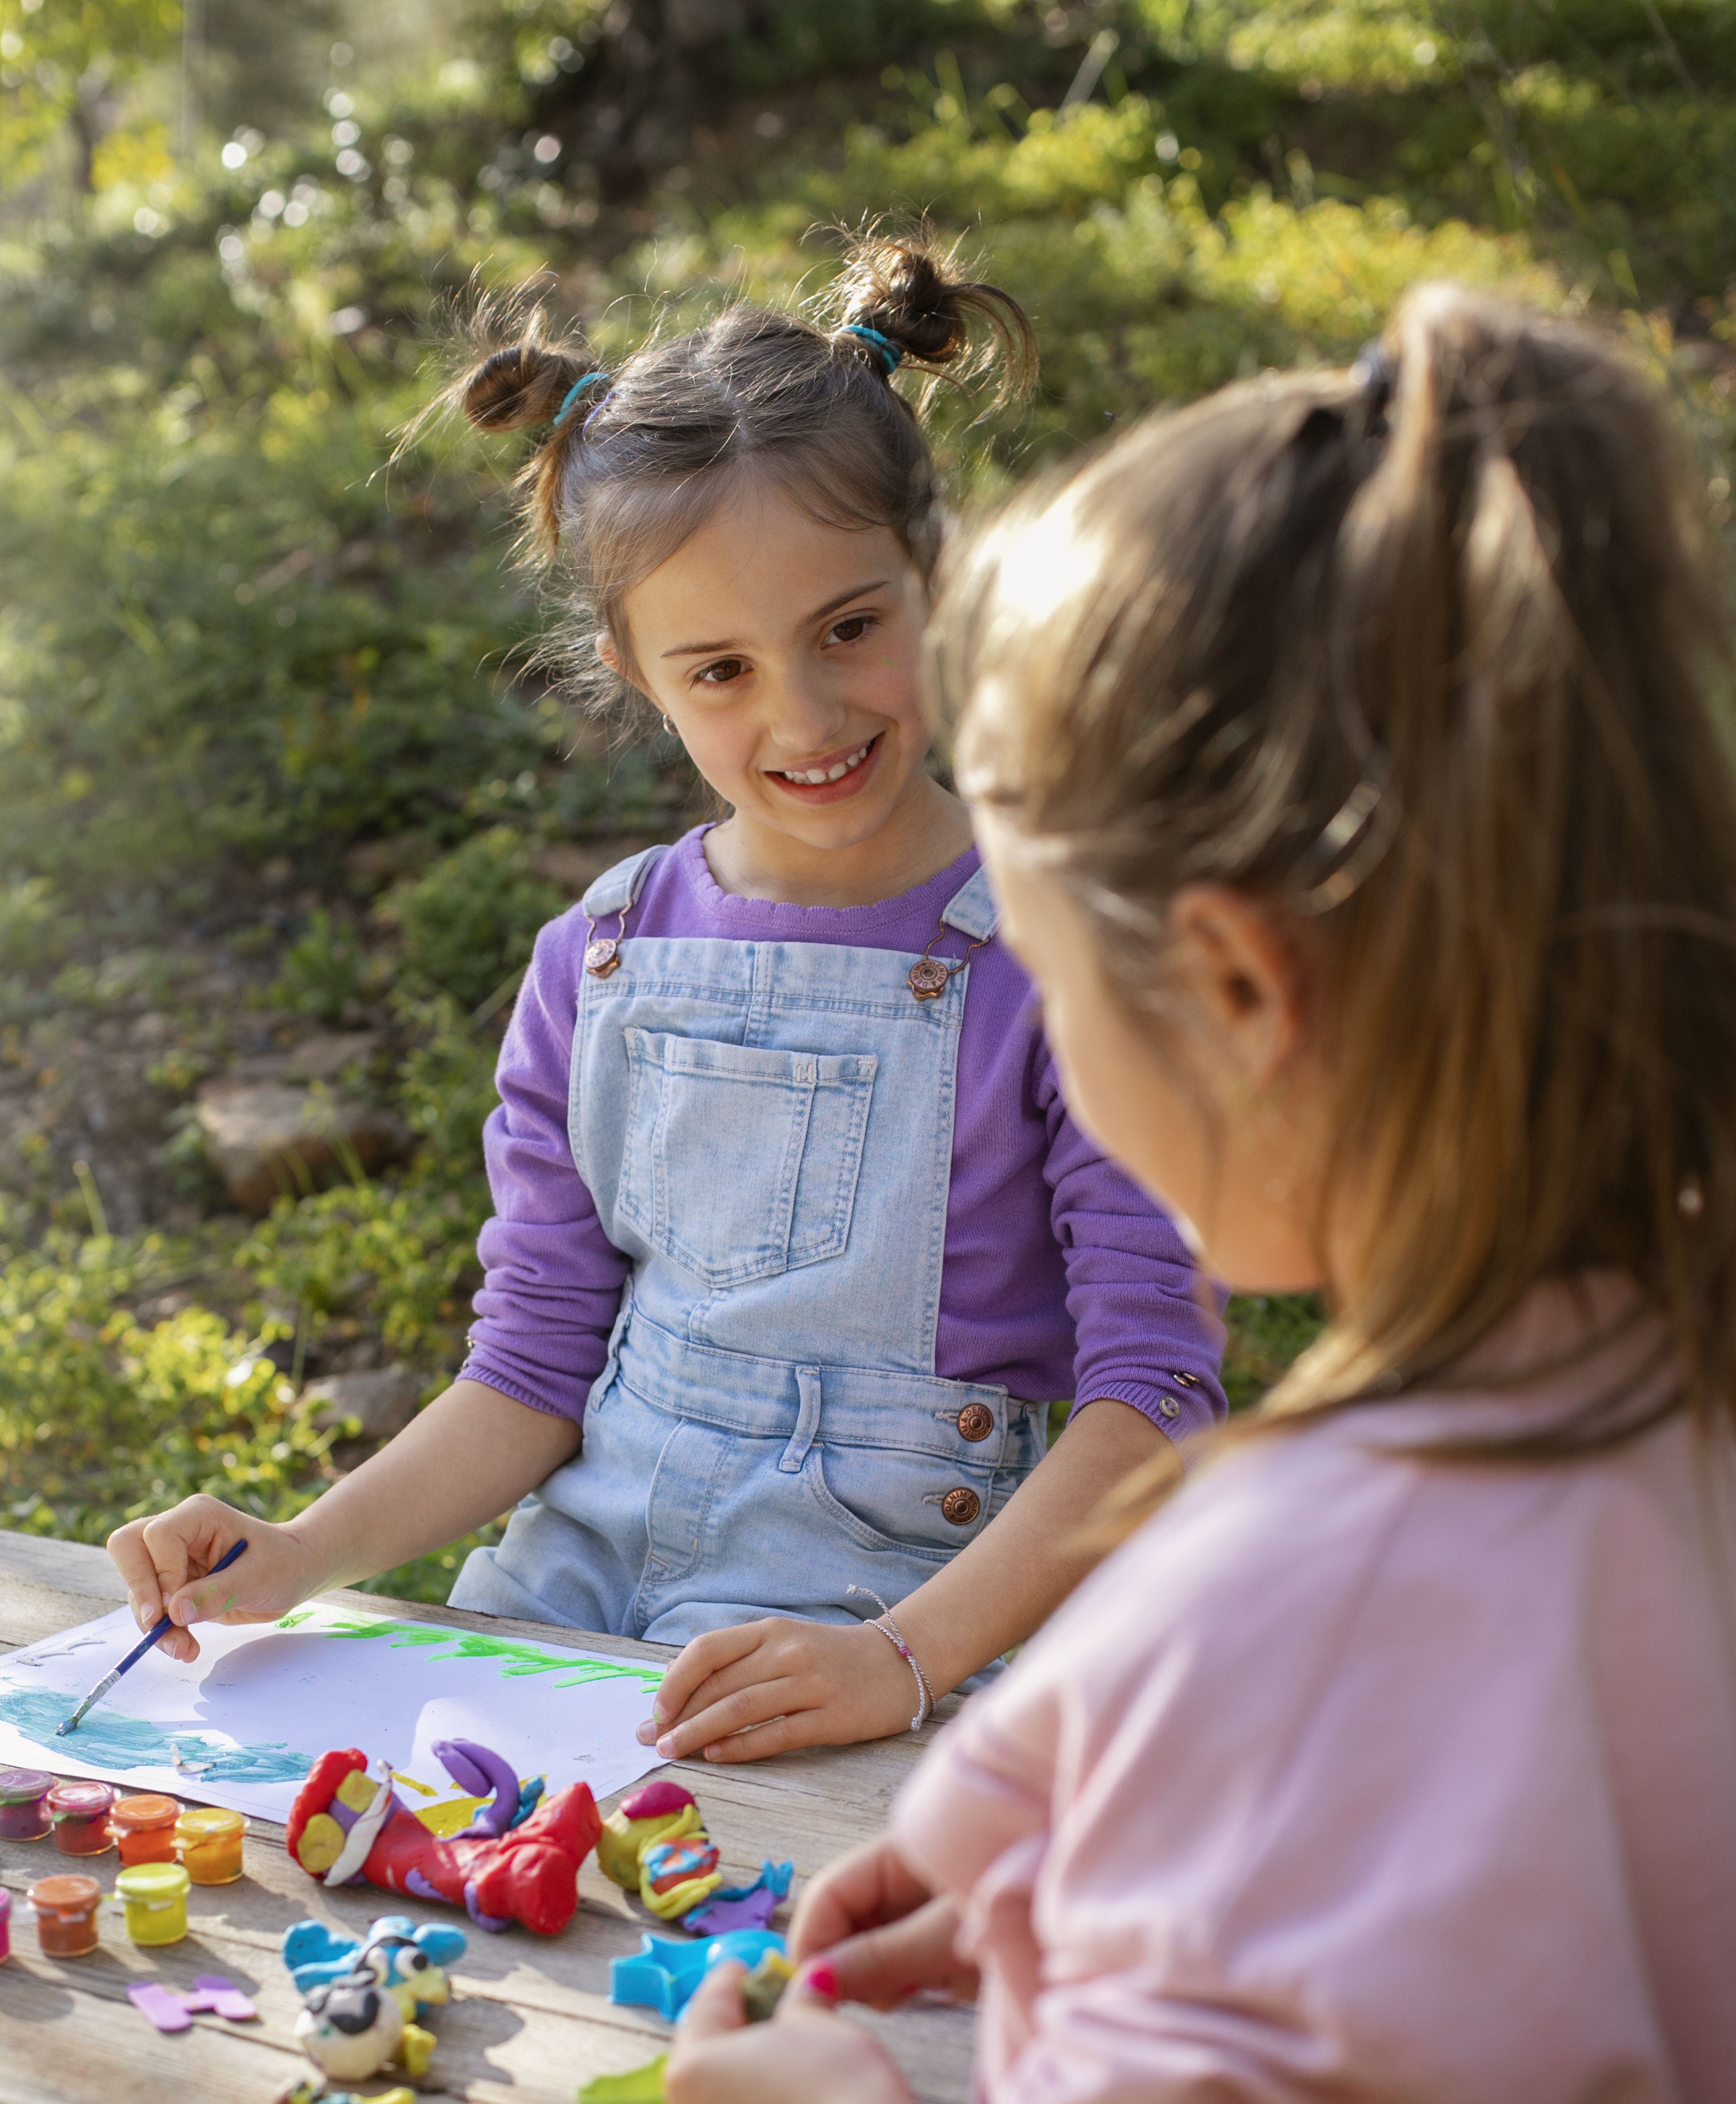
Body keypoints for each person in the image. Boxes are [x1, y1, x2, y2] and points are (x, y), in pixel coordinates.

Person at [655, 282, 1736, 2104]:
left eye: (1046, 960)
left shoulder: (1269, 1624)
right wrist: (1060, 1886)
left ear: (1241, 994)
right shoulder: (1732, 1421)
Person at [105, 239, 1224, 1765]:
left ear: (941, 577)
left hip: (907, 1638)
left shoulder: (1067, 951)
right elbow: (530, 1369)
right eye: (720, 671)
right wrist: (299, 1551)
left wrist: (902, 1662)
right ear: (633, 669)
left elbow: (1156, 1393)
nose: (805, 715)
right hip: (575, 1604)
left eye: (850, 628)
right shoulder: (600, 957)